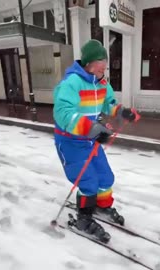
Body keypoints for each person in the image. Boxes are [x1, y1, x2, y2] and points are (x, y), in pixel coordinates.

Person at [53, 39, 140, 242]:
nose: (104, 69)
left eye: (105, 65)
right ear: (89, 63)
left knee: (105, 177)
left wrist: (122, 112)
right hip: (71, 142)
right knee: (88, 181)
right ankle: (84, 218)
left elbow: (108, 104)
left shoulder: (101, 82)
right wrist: (92, 130)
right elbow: (63, 113)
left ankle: (102, 205)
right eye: (101, 64)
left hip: (90, 140)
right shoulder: (71, 83)